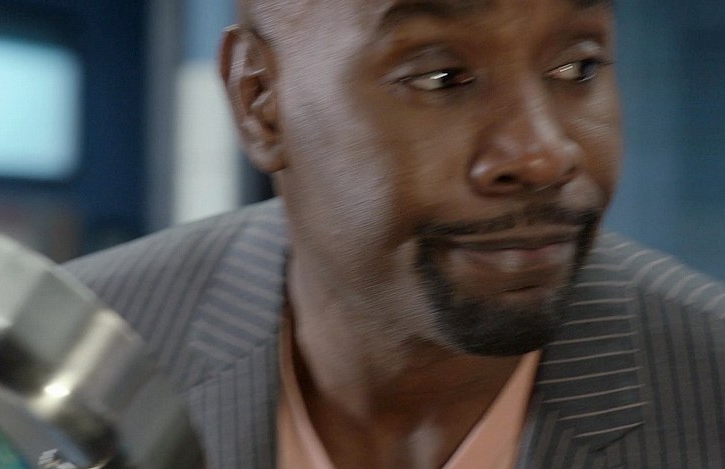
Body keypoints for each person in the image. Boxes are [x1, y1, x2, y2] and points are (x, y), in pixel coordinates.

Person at [64, 0, 725, 467]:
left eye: (577, 67)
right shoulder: (69, 363)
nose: (541, 154)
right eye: (440, 78)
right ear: (259, 100)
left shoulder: (709, 390)